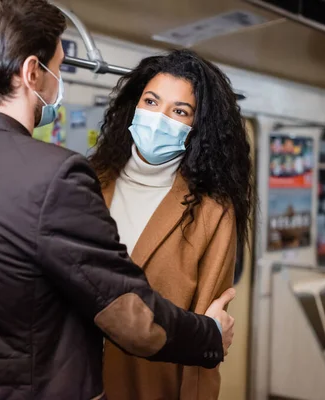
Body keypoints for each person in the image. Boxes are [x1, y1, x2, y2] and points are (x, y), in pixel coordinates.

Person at [0, 2, 236, 399]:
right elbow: (123, 312)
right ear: (33, 72)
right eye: (59, 67)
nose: (58, 80)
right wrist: (209, 335)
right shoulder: (56, 177)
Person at [90, 50, 253, 400]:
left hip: (150, 385)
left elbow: (207, 333)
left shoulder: (211, 212)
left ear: (197, 127)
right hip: (74, 379)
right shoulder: (87, 182)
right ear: (134, 105)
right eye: (151, 101)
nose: (159, 118)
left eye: (179, 111)